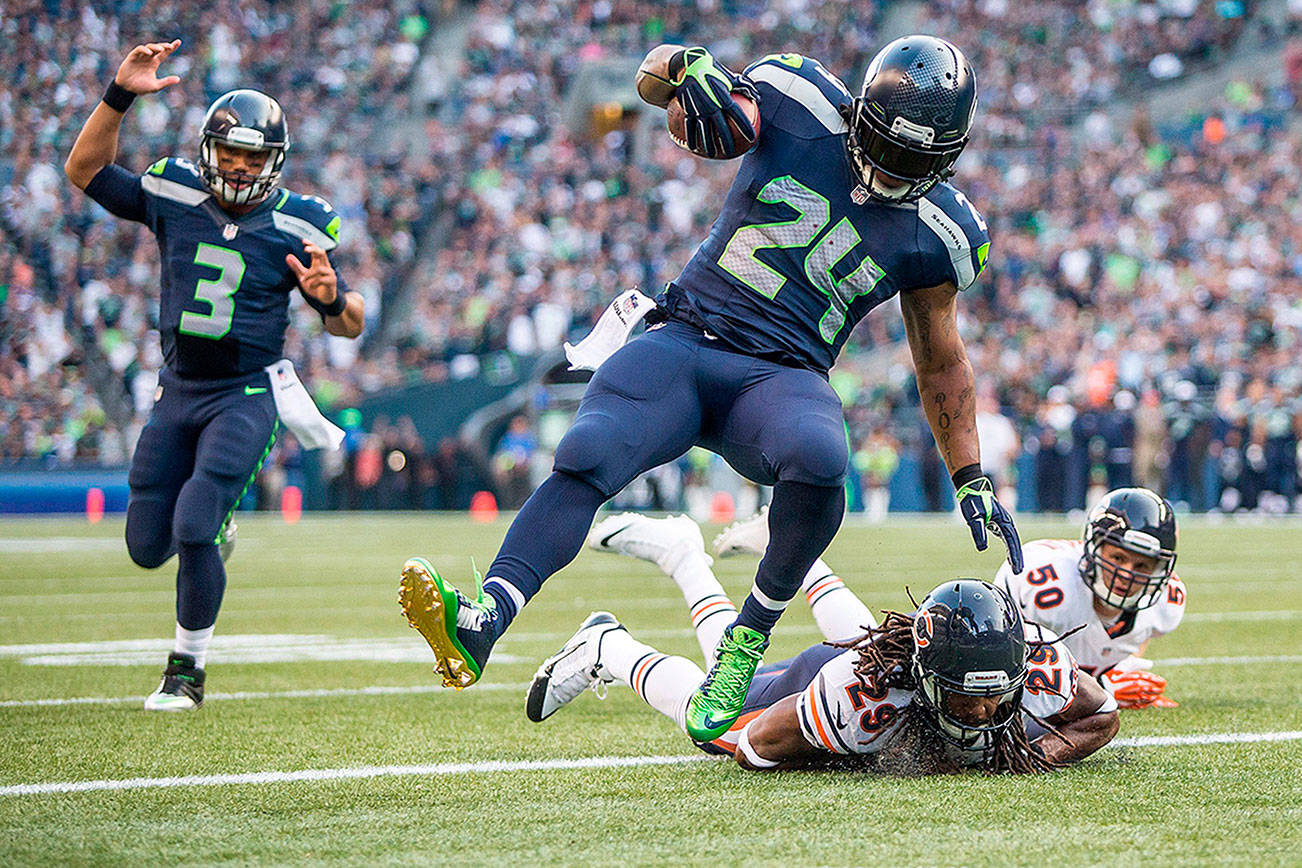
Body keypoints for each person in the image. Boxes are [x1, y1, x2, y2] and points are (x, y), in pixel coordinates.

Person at [399, 36, 1022, 742]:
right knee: (588, 449)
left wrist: (970, 477)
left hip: (783, 377)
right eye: (883, 144)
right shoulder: (801, 99)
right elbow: (667, 94)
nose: (888, 169)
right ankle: (485, 620)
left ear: (949, 155)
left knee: (821, 462)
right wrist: (683, 73)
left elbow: (939, 358)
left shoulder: (944, 231)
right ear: (859, 114)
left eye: (914, 160)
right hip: (687, 337)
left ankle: (744, 643)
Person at [64, 40, 364, 710]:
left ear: (273, 163)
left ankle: (187, 674)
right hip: (179, 391)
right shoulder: (173, 190)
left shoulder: (300, 222)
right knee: (147, 545)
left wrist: (330, 298)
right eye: (228, 154)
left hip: (248, 392)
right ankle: (214, 531)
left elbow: (352, 323)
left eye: (250, 157)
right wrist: (119, 93)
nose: (235, 167)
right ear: (208, 151)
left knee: (195, 521)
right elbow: (84, 169)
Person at [527, 539, 1118, 774]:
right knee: (712, 718)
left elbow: (1103, 715)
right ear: (931, 678)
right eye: (969, 696)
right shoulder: (860, 701)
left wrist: (1040, 753)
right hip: (822, 683)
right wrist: (857, 759)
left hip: (883, 660)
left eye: (996, 695)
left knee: (866, 635)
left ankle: (765, 556)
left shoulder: (1035, 666)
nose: (985, 714)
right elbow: (756, 747)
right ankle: (609, 646)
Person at [995, 488, 1185, 709]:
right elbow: (1014, 677)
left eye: (1142, 565)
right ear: (1094, 549)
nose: (1126, 573)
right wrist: (1104, 689)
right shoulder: (1048, 586)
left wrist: (1119, 671)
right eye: (1118, 558)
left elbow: (1138, 633)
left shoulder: (1166, 602)